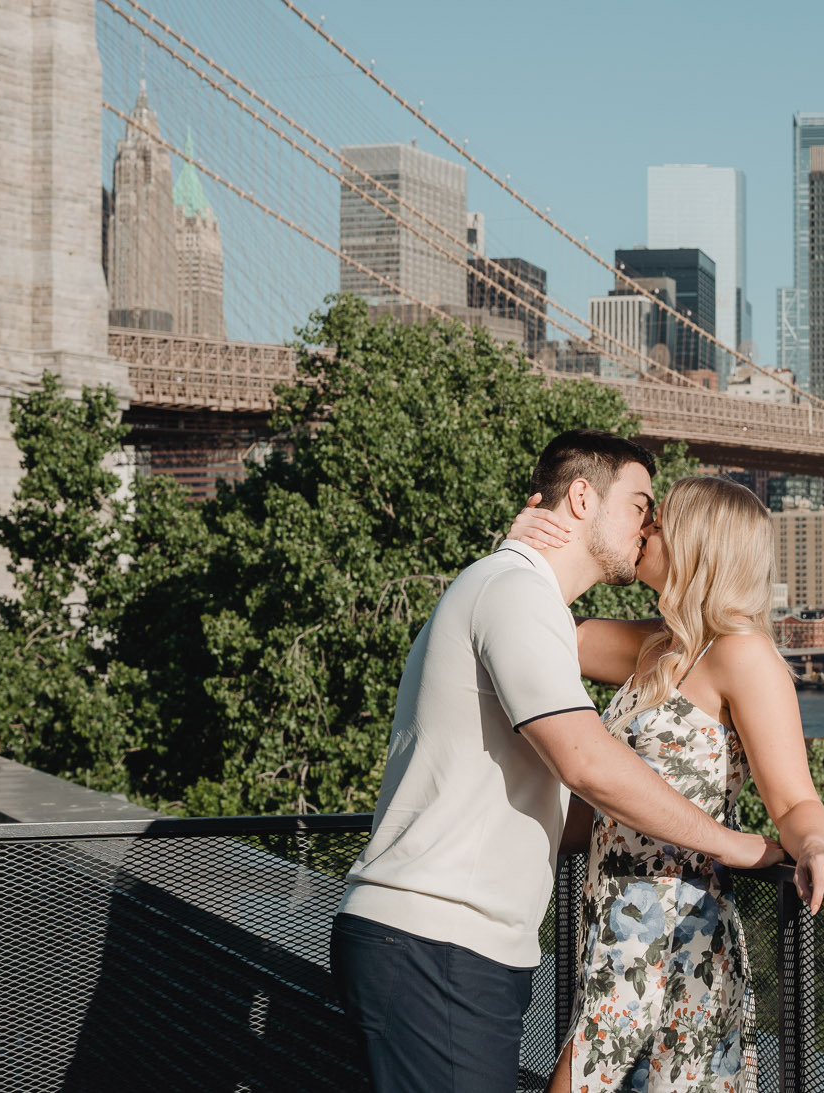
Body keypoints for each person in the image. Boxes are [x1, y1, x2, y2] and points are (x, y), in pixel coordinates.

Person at [331, 431, 784, 1093]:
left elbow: (578, 807)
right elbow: (587, 763)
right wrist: (735, 845)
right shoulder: (513, 591)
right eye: (640, 505)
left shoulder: (518, 594)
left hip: (455, 945)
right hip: (437, 942)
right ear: (581, 497)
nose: (649, 524)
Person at [510, 476, 824, 1093]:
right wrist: (524, 549)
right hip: (610, 921)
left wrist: (812, 847)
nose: (643, 527)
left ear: (699, 543)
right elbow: (531, 629)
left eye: (659, 519)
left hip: (675, 931)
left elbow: (794, 799)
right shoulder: (655, 646)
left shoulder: (742, 654)